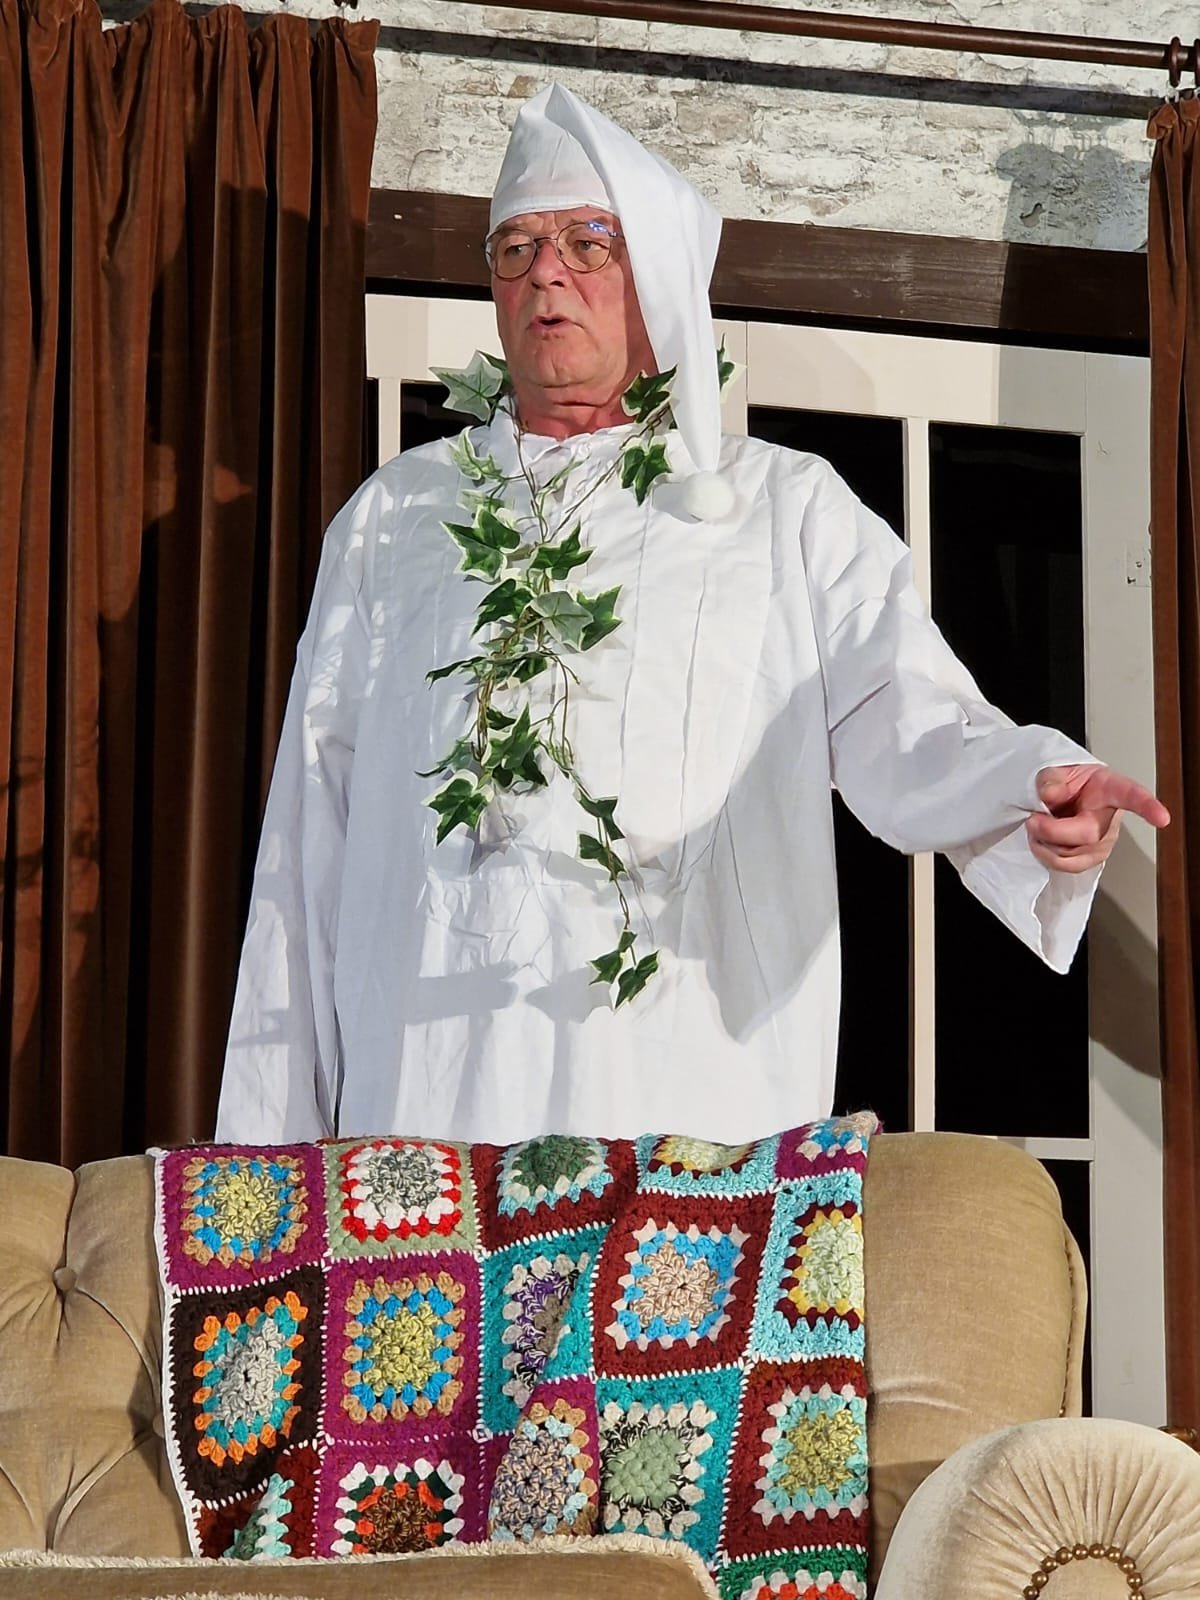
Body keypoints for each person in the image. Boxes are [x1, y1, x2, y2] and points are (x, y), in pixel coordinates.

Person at [215, 84, 1168, 1147]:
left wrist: (1033, 781)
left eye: (588, 242)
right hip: (432, 1093)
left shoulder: (780, 506)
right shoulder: (395, 517)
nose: (546, 274)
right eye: (516, 249)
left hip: (690, 1097)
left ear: (659, 278)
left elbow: (910, 712)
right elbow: (310, 830)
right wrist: (267, 1163)